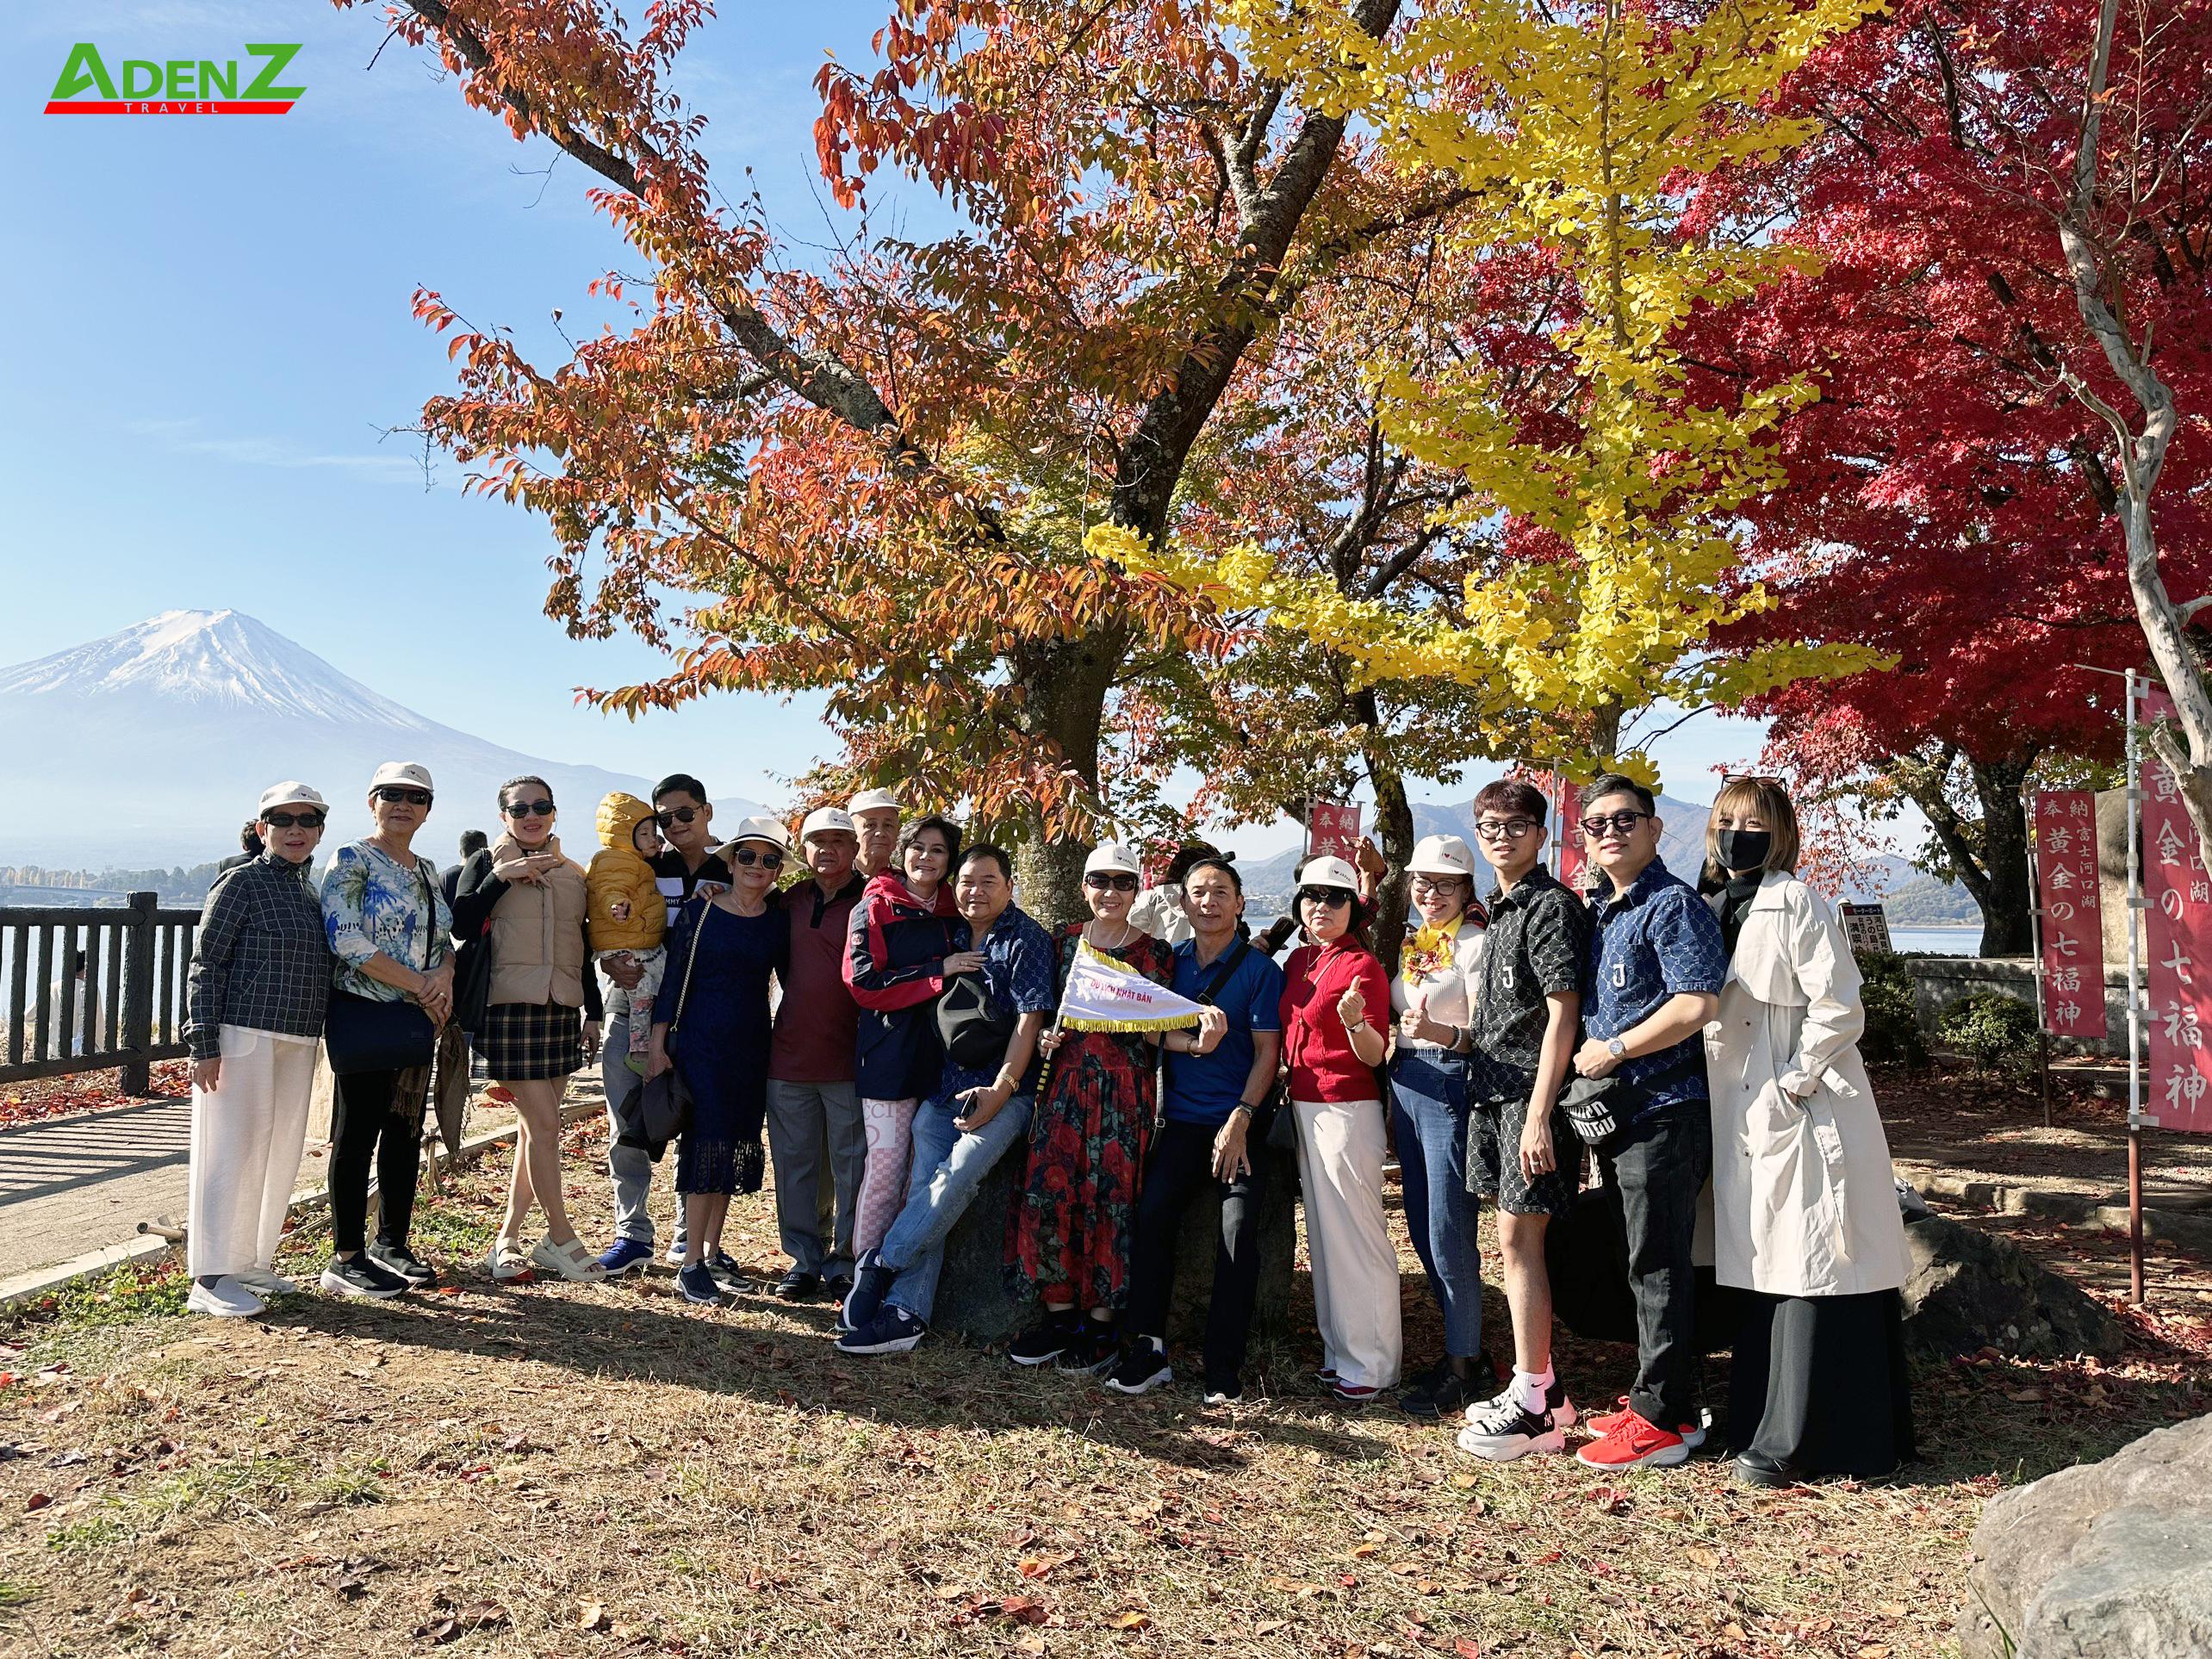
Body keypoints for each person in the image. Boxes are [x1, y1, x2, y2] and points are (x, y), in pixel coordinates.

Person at [1703, 778, 1914, 1487]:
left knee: (1813, 1262)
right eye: (1727, 821)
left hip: (1802, 1098)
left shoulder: (1793, 900)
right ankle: (1759, 1423)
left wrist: (1794, 1083)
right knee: (1770, 1262)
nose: (1738, 834)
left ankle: (1803, 1439)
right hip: (1744, 1104)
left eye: (1754, 823)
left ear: (1782, 833)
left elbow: (1839, 1004)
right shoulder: (1714, 905)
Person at [837, 843, 1056, 1353]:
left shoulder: (1027, 939)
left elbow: (1030, 1023)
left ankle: (882, 1262)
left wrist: (1001, 1091)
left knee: (961, 1170)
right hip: (944, 1087)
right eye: (966, 882)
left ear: (1009, 884)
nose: (974, 891)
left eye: (987, 881)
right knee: (924, 1179)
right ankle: (908, 1313)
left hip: (1009, 1089)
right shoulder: (950, 934)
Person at [1568, 774, 1728, 1471]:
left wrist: (1617, 1047)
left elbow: (1699, 1003)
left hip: (1666, 1110)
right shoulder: (1605, 909)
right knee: (1643, 1257)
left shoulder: (1673, 906)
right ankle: (1670, 1403)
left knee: (1658, 1262)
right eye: (1597, 822)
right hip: (1623, 1115)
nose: (1610, 831)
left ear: (1655, 829)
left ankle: (1659, 1417)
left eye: (1625, 820)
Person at [1005, 842, 1190, 1373]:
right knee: (1050, 1194)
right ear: (1084, 887)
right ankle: (1060, 1316)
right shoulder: (1063, 944)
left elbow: (1160, 1027)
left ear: (1137, 890)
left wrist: (1197, 1040)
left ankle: (1104, 1327)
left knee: (1112, 1202)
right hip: (1063, 1090)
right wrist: (1045, 1040)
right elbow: (1042, 1014)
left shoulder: (1156, 954)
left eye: (1122, 882)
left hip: (1123, 1095)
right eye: (1100, 881)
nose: (1110, 892)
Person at [1108, 854, 1284, 1402]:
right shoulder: (1168, 963)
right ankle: (1149, 1348)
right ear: (1183, 903)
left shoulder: (1260, 972)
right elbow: (1144, 1029)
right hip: (1180, 1122)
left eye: (1220, 892)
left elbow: (1267, 1054)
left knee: (1237, 1233)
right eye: (1198, 893)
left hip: (1239, 1122)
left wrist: (1241, 1118)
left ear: (1240, 903)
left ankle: (1223, 1364)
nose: (1209, 902)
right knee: (1153, 1214)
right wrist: (1183, 1040)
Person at [1453, 779, 1593, 1461]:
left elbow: (1564, 1013)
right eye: (1489, 826)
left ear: (1541, 835)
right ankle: (1544, 1388)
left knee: (1520, 1241)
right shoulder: (1501, 909)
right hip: (1493, 1091)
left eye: (1515, 824)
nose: (1501, 835)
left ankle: (1535, 1403)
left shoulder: (1551, 907)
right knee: (1510, 1241)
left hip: (1529, 1100)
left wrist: (1540, 1116)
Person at [182, 781, 332, 1318]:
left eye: (307, 820)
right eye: (283, 820)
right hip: (241, 1034)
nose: (296, 829)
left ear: (319, 830)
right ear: (262, 828)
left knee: (276, 1151)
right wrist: (203, 1042)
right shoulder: (240, 883)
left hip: (297, 1036)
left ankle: (249, 1261)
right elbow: (206, 963)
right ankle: (210, 1275)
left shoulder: (310, 890)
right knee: (230, 1150)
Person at [450, 777, 607, 1283]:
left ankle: (509, 1237)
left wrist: (594, 1011)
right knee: (544, 1127)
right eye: (520, 808)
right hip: (507, 1009)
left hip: (560, 1009)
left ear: (555, 813)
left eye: (541, 807)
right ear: (504, 817)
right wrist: (504, 876)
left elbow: (580, 948)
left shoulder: (574, 875)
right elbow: (461, 922)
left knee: (532, 1130)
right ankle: (560, 1237)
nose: (531, 815)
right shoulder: (486, 863)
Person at [319, 761, 455, 1298]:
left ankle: (392, 1242)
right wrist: (419, 986)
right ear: (371, 802)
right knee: (357, 1133)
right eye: (391, 794)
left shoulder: (425, 868)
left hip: (417, 1016)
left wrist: (441, 975)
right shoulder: (353, 858)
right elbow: (346, 938)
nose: (404, 804)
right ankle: (346, 1255)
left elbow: (443, 939)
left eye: (416, 797)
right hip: (366, 1007)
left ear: (428, 809)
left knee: (404, 1130)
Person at [647, 817, 792, 1304]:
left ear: (777, 870)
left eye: (769, 859)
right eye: (747, 856)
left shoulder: (777, 920)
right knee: (705, 1144)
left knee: (730, 1145)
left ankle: (710, 1253)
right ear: (730, 861)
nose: (757, 866)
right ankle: (690, 1262)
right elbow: (673, 980)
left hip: (751, 1045)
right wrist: (656, 1043)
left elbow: (794, 984)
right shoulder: (699, 912)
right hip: (700, 1044)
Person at [594, 773, 733, 1272]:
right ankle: (631, 1233)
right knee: (626, 1122)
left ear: (707, 811)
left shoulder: (736, 866)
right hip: (632, 1008)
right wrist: (606, 963)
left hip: (702, 1020)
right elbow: (604, 924)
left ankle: (686, 1235)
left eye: (685, 814)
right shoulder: (644, 867)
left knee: (696, 1124)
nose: (674, 826)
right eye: (664, 818)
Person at [1279, 854, 1400, 1404]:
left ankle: (1372, 1362)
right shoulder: (1300, 960)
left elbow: (1374, 1054)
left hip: (1347, 1106)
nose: (1320, 906)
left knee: (1356, 1237)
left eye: (1334, 897)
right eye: (1311, 896)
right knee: (1326, 1239)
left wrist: (1353, 1022)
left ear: (1354, 907)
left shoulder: (1363, 968)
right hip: (1304, 1103)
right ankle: (1340, 1353)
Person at [1388, 833, 1490, 1417]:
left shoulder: (1475, 944)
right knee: (1424, 1235)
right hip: (1407, 1084)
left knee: (1450, 1235)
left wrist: (1440, 1035)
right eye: (1422, 882)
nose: (1432, 893)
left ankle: (1463, 1367)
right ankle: (1464, 1350)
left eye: (1445, 884)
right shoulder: (1421, 941)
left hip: (1450, 1082)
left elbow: (1490, 1032)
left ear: (1465, 889)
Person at [842, 814, 963, 1261]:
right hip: (889, 1056)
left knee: (924, 1173)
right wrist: (937, 972)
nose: (926, 858)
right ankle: (864, 1271)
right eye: (918, 847)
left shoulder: (958, 910)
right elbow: (863, 983)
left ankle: (901, 1271)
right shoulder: (874, 906)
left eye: (938, 850)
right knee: (887, 1169)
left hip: (944, 1058)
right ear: (902, 852)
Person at [766, 806, 868, 1302]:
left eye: (838, 840)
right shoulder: (786, 901)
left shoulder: (874, 898)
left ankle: (844, 1260)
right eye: (816, 841)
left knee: (851, 1166)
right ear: (802, 849)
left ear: (854, 847)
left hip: (851, 1057)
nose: (827, 849)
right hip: (788, 1054)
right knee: (795, 1164)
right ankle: (803, 1261)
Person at [585, 793, 668, 1073]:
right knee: (642, 995)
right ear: (623, 835)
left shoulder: (634, 860)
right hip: (626, 942)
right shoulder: (616, 861)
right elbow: (612, 888)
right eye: (643, 833)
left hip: (634, 940)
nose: (652, 839)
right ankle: (640, 1051)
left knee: (653, 982)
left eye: (652, 832)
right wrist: (618, 907)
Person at [1129, 842, 1226, 947]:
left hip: (1162, 959)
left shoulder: (1153, 897)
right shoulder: (1219, 901)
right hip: (1206, 960)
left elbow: (1130, 931)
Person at [848, 787, 902, 879]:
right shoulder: (835, 881)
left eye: (888, 825)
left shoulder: (908, 885)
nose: (880, 833)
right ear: (851, 833)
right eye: (871, 825)